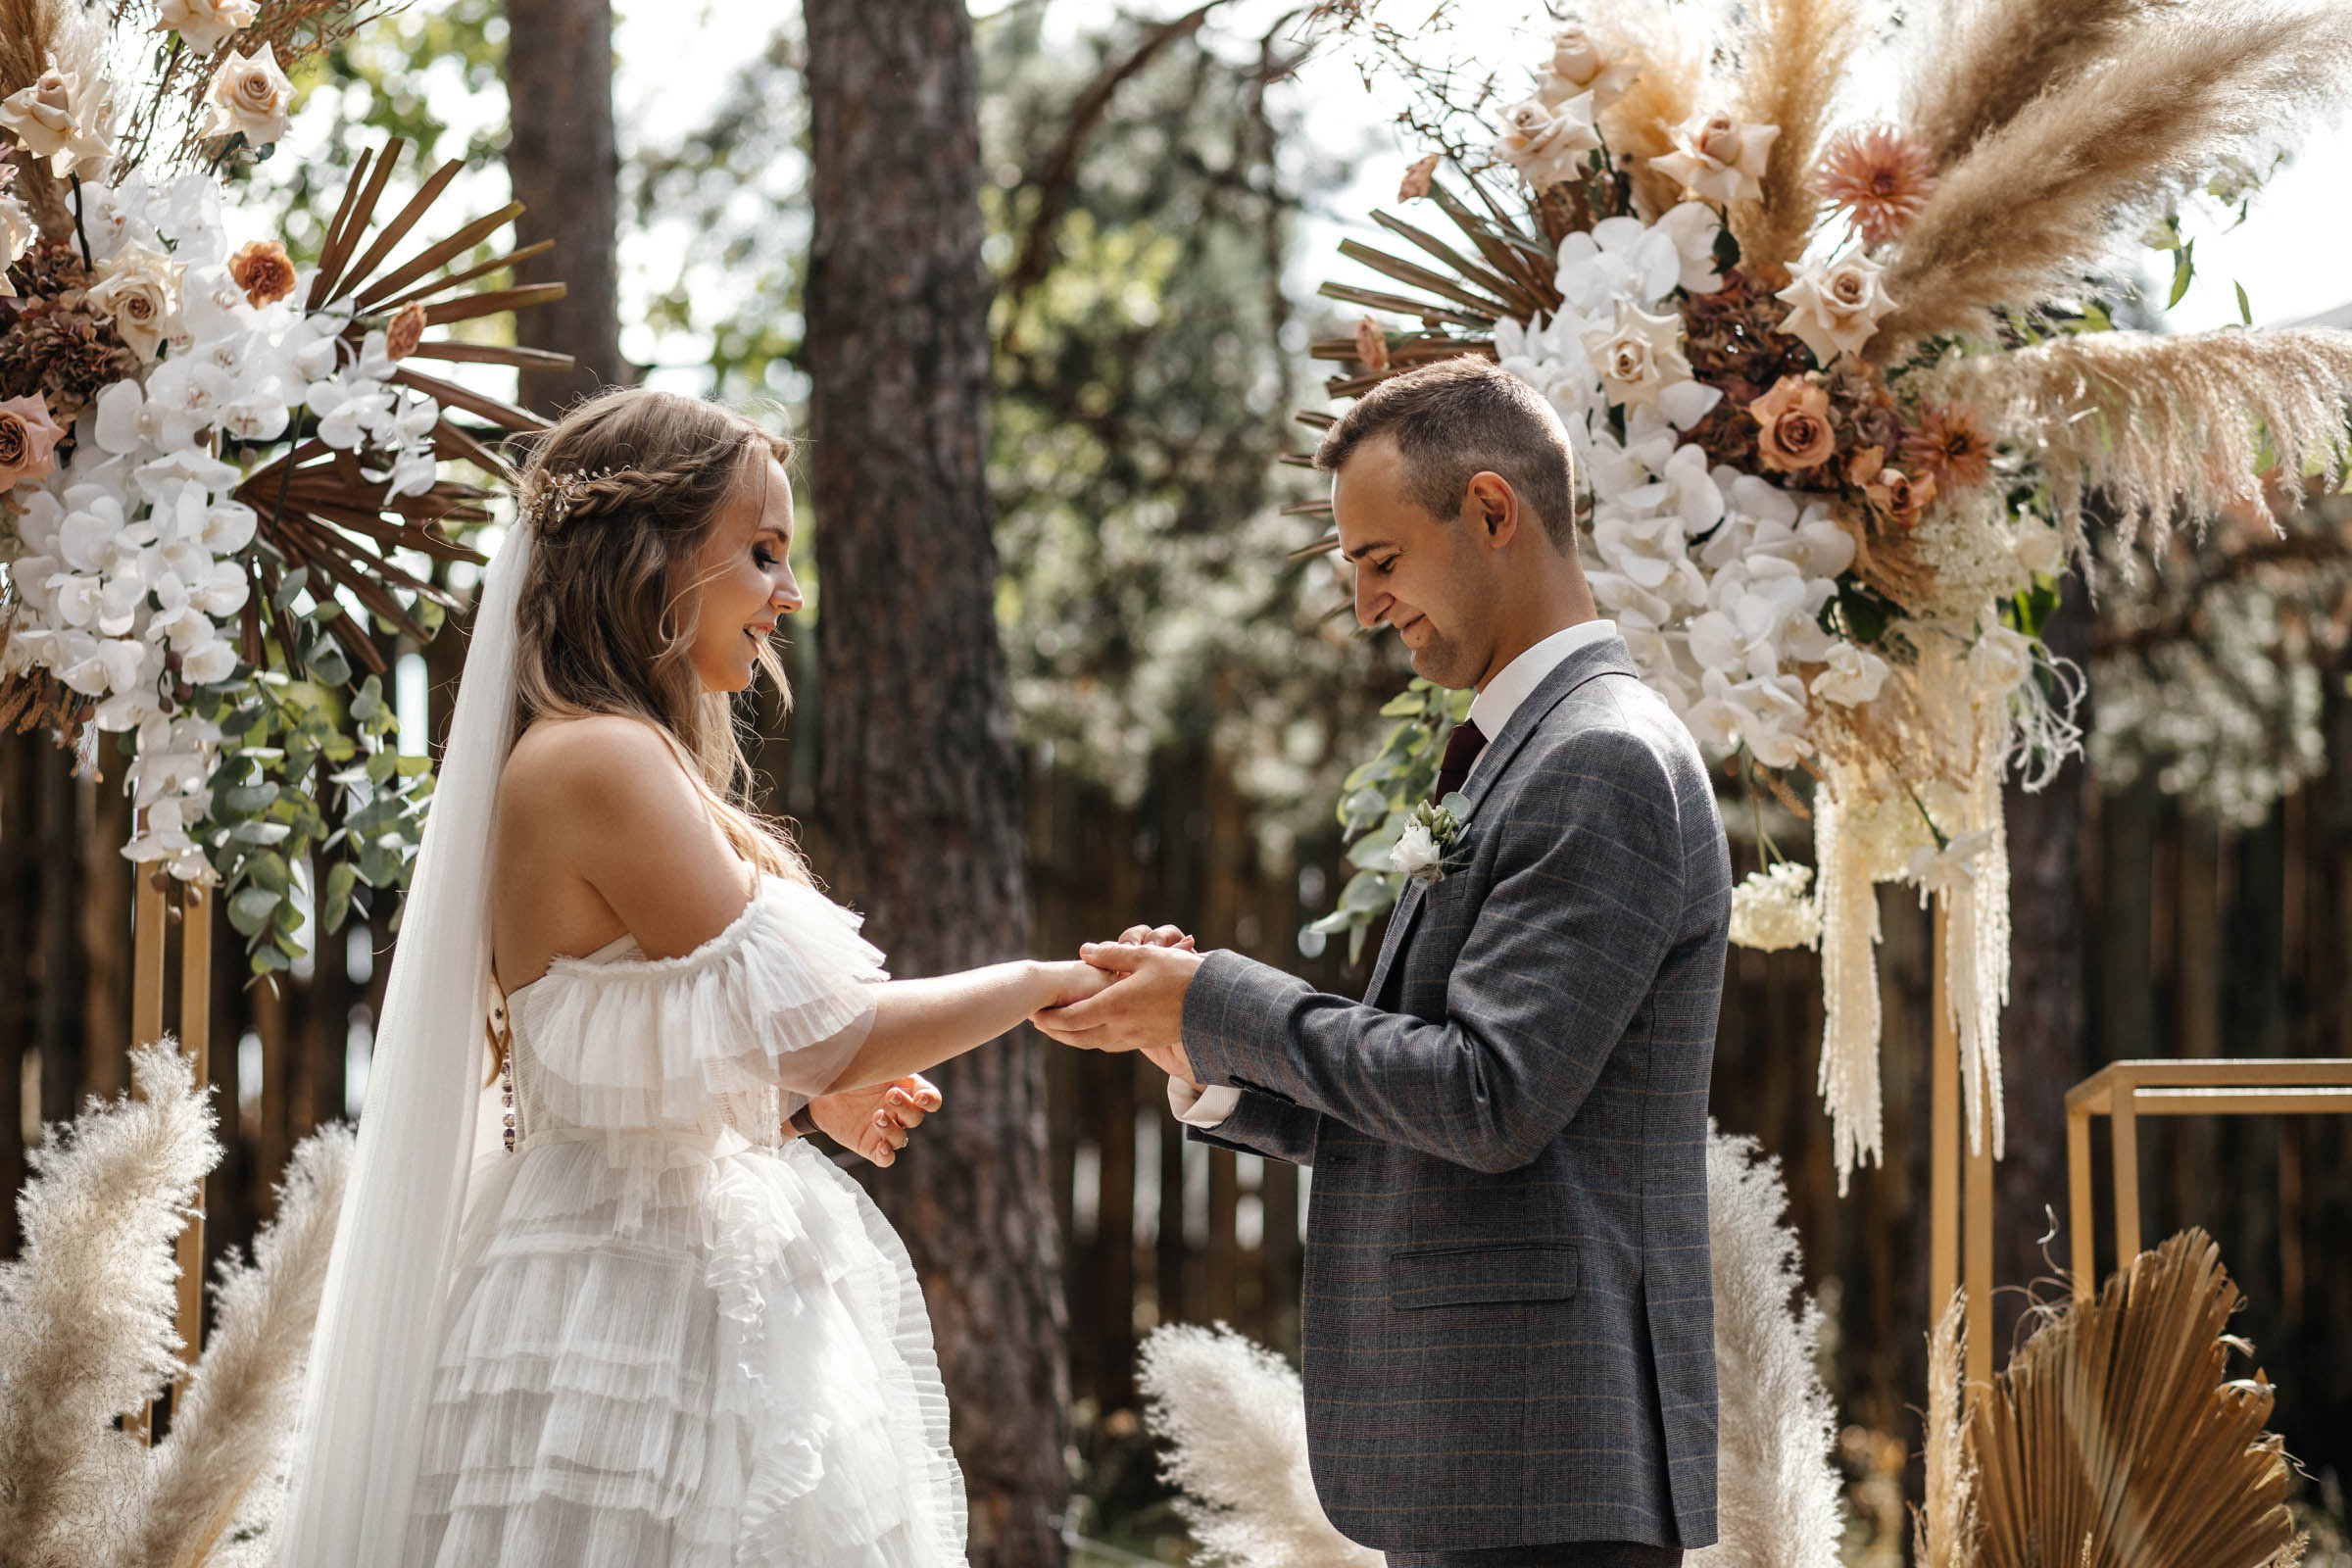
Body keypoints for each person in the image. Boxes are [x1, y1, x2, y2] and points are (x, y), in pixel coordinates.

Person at [276, 388, 1109, 1567]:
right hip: (629, 1293)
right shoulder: (599, 759)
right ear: (650, 557)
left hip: (635, 1259)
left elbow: (664, 1041)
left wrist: (804, 1099)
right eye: (762, 553)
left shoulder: (602, 755)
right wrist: (1042, 982)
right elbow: (823, 1034)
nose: (791, 594)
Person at [1039, 358, 1732, 1567]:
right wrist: (1199, 1049)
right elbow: (1430, 1099)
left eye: (1380, 560)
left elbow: (1488, 1097)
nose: (1366, 607)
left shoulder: (1601, 759)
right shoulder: (1535, 749)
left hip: (1546, 1459)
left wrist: (1227, 999)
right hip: (1503, 1457)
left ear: (1492, 512)